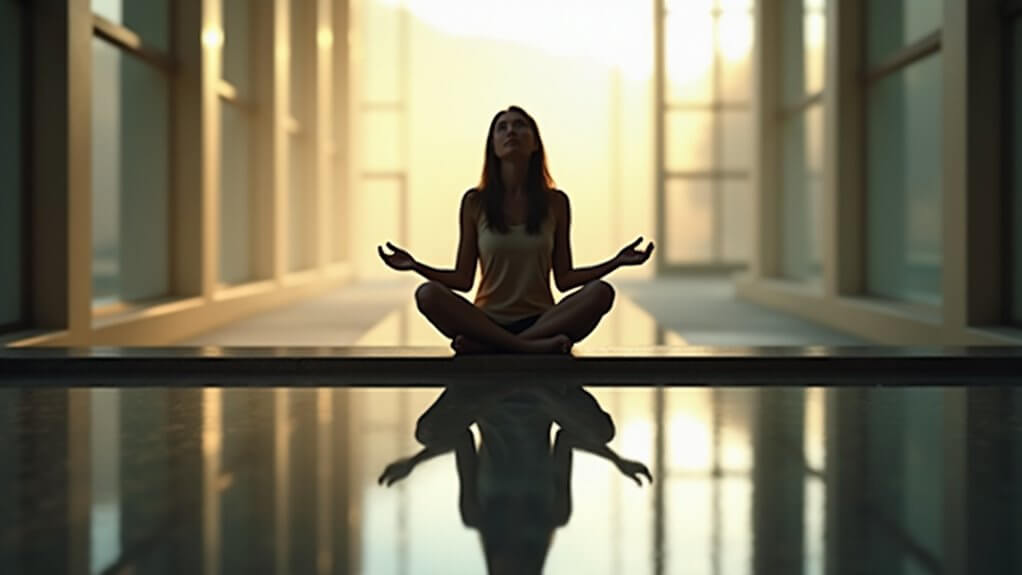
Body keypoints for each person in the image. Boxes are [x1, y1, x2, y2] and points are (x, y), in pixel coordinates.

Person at [378, 105, 654, 354]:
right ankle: (526, 348)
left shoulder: (556, 203)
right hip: (486, 320)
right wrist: (415, 265)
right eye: (502, 127)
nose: (511, 131)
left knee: (601, 292)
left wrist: (617, 262)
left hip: (543, 320)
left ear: (535, 144)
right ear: (493, 147)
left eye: (520, 125)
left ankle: (496, 346)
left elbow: (565, 278)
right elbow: (463, 279)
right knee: (427, 294)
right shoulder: (475, 202)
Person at [377, 383, 652, 575]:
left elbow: (462, 441)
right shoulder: (554, 513)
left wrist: (413, 463)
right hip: (541, 398)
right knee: (602, 431)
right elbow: (566, 440)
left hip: (488, 397)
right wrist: (618, 461)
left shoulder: (476, 514)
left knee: (427, 433)